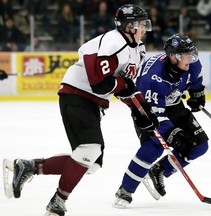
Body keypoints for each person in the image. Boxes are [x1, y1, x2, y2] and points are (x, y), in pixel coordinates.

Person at [3, 4, 157, 216]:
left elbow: (125, 85)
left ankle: (28, 166)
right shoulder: (113, 43)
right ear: (129, 26)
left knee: (91, 162)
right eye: (141, 24)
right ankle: (58, 202)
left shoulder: (137, 49)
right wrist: (126, 88)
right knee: (89, 150)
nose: (145, 28)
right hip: (77, 95)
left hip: (92, 102)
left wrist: (142, 111)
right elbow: (100, 84)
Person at [113, 33, 209, 208]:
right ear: (173, 57)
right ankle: (125, 190)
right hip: (146, 110)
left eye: (191, 53)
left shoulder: (192, 63)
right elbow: (154, 116)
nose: (191, 57)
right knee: (155, 146)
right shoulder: (152, 79)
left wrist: (197, 94)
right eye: (185, 54)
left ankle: (160, 169)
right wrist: (172, 134)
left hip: (174, 105)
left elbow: (196, 81)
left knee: (199, 145)